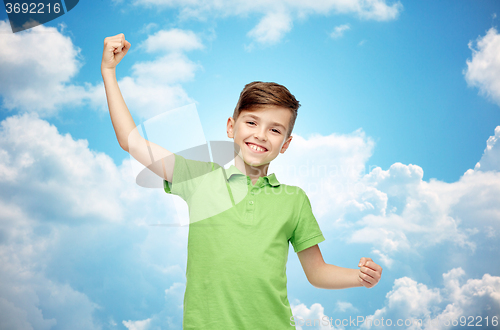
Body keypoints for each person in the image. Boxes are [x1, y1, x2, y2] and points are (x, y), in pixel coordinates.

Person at [101, 33, 383, 329]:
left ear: (285, 144)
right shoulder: (200, 178)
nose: (260, 135)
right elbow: (131, 141)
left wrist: (359, 277)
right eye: (251, 122)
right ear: (230, 127)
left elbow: (316, 272)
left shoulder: (294, 200)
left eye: (275, 130)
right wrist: (109, 72)